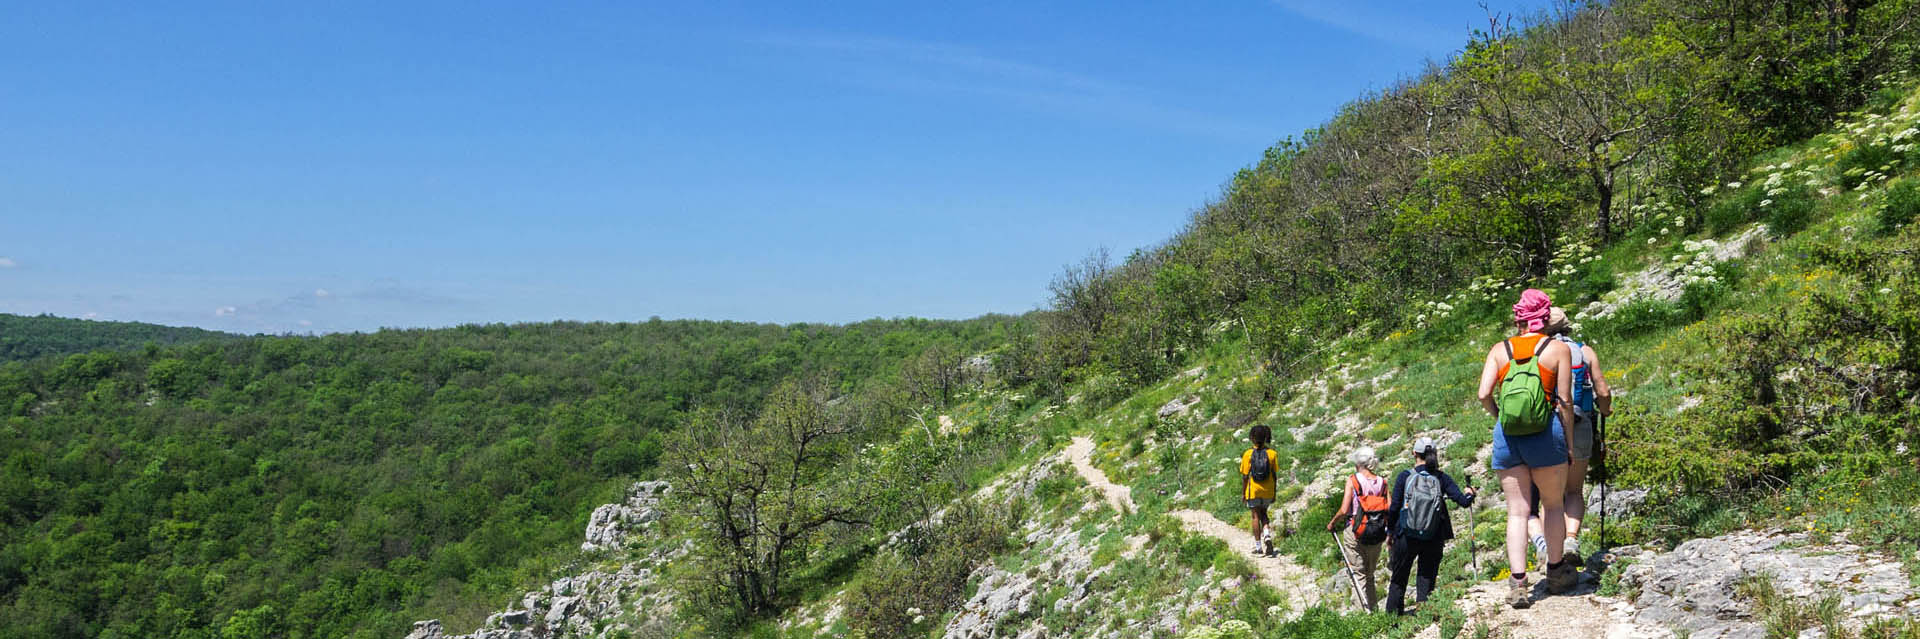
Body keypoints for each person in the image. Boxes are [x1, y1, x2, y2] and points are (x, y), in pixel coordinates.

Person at [1476, 289, 1579, 608]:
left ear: (1518, 318)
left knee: (1517, 511)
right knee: (1552, 504)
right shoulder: (1557, 349)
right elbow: (1564, 402)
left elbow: (1483, 394)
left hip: (1508, 436)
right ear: (1545, 317)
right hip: (1546, 434)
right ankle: (1556, 573)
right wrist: (1569, 443)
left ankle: (1518, 584)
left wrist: (1501, 417)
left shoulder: (1499, 349)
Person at [1525, 307, 1615, 567]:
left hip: (1547, 427)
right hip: (1581, 421)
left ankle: (1550, 551)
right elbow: (1603, 390)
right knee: (1574, 490)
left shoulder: (1539, 352)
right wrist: (1605, 411)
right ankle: (1571, 539)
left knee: (1550, 496)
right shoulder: (1584, 351)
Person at [1383, 437, 1476, 615]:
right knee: (1427, 576)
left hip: (1406, 535)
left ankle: (1392, 621)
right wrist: (1470, 493)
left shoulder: (1405, 476)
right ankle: (1424, 615)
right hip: (1434, 535)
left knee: (1399, 579)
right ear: (1434, 454)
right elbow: (1463, 502)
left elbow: (1394, 508)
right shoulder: (1441, 477)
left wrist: (1390, 533)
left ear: (1414, 454)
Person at [1326, 446, 1387, 611]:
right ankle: (1373, 610)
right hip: (1377, 531)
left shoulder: (1353, 480)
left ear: (1358, 464)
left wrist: (1332, 522)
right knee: (1370, 575)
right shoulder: (1383, 482)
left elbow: (1345, 510)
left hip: (1356, 530)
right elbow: (1388, 508)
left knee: (1358, 573)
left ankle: (1361, 614)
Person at [1240, 424, 1280, 557]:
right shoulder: (1272, 454)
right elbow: (1274, 475)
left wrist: (1243, 493)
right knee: (1264, 514)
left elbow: (1245, 476)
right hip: (1268, 490)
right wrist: (1274, 492)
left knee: (1255, 516)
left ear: (1252, 438)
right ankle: (1267, 535)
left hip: (1253, 490)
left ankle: (1258, 548)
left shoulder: (1247, 454)